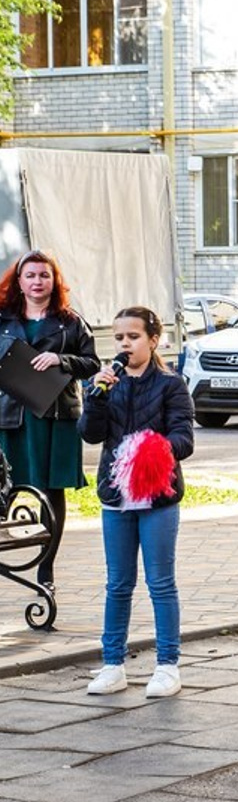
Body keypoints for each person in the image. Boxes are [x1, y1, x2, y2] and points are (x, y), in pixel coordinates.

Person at [80, 306, 194, 697]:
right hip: (116, 495)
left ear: (152, 340)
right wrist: (95, 397)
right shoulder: (105, 383)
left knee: (160, 583)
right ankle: (113, 664)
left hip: (157, 495)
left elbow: (184, 439)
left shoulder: (170, 384)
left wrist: (152, 449)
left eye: (133, 337)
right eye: (119, 338)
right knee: (118, 583)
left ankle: (167, 665)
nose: (125, 344)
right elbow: (91, 435)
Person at [0, 250, 99, 591]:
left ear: (54, 280)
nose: (37, 281)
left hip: (55, 417)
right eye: (30, 275)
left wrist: (61, 359)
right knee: (5, 489)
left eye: (44, 275)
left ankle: (46, 570)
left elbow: (92, 363)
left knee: (51, 490)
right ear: (19, 281)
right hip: (11, 416)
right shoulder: (3, 318)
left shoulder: (70, 321)